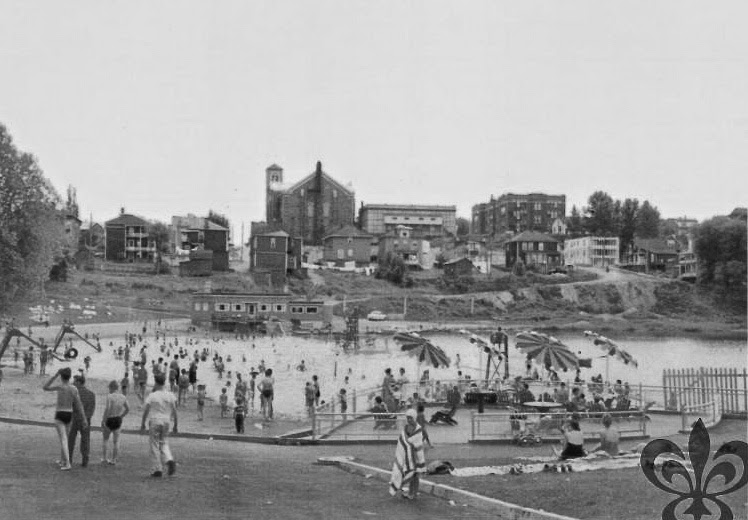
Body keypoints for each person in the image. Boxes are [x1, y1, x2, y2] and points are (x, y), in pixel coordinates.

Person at [43, 367, 87, 471]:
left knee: (63, 439)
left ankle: (67, 463)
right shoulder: (74, 388)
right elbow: (79, 404)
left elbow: (45, 387)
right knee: (65, 439)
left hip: (60, 413)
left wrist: (55, 375)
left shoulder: (60, 386)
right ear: (70, 377)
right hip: (69, 414)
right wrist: (84, 418)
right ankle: (63, 460)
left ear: (62, 377)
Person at [140, 374, 178, 478]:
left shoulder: (152, 395)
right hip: (166, 420)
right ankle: (169, 459)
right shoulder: (170, 395)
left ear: (156, 383)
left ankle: (157, 469)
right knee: (164, 442)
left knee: (154, 445)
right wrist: (176, 425)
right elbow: (174, 410)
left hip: (155, 420)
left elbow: (146, 410)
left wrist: (142, 423)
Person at [388, 409, 426, 499]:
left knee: (415, 475)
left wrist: (409, 445)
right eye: (408, 418)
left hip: (416, 456)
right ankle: (410, 492)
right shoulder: (406, 427)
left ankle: (414, 493)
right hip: (407, 456)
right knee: (411, 474)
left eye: (411, 418)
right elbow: (402, 440)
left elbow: (418, 443)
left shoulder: (419, 429)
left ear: (415, 418)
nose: (409, 420)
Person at [68, 375, 96, 467]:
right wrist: (86, 418)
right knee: (85, 440)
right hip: (86, 420)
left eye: (74, 381)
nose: (73, 383)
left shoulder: (73, 393)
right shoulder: (91, 394)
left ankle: (69, 459)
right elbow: (91, 409)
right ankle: (85, 460)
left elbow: (70, 406)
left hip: (74, 419)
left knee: (71, 440)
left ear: (79, 382)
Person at [101, 380, 129, 465]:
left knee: (105, 439)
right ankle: (114, 459)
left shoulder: (110, 396)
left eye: (109, 387)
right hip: (117, 419)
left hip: (110, 418)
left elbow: (107, 408)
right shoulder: (123, 397)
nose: (109, 389)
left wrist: (103, 420)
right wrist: (121, 416)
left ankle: (105, 458)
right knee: (116, 441)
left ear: (112, 387)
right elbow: (128, 409)